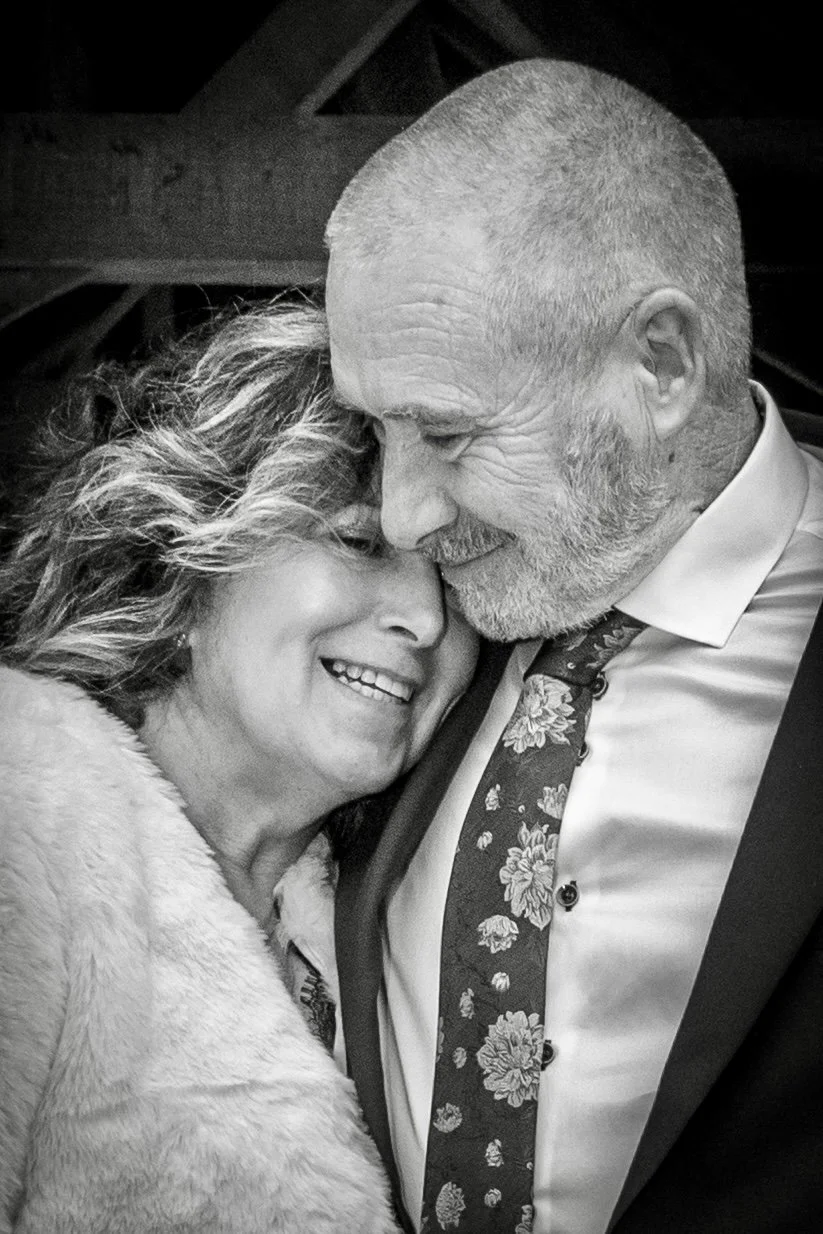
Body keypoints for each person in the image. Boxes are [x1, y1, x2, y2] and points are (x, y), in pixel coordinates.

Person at [323, 59, 823, 1234]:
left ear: (660, 365)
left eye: (447, 431)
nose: (401, 516)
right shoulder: (406, 621)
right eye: (376, 430)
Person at [0, 301, 477, 1233]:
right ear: (185, 538)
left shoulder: (382, 923)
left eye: (455, 577)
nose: (425, 621)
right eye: (356, 541)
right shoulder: (19, 799)